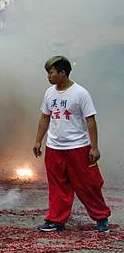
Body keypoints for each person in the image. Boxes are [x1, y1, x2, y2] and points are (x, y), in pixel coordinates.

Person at [33, 55, 111, 233]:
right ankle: (56, 220)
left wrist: (94, 146)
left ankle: (101, 217)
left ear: (63, 72)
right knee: (57, 186)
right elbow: (45, 117)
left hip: (78, 147)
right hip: (54, 147)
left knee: (88, 184)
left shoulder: (80, 93)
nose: (48, 76)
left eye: (51, 73)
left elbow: (90, 120)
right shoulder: (49, 93)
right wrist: (38, 140)